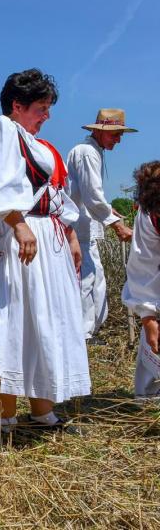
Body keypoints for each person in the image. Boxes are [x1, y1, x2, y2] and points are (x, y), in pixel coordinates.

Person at [0, 68, 89, 434]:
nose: (47, 115)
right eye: (41, 107)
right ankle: (3, 418)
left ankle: (43, 412)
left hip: (47, 242)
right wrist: (19, 222)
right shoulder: (0, 129)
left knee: (45, 323)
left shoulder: (41, 145)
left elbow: (57, 197)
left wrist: (70, 236)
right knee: (12, 324)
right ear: (17, 105)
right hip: (18, 240)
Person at [67, 108, 137, 344]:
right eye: (114, 134)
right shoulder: (87, 153)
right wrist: (116, 224)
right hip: (78, 227)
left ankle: (90, 330)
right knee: (86, 279)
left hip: (86, 225)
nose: (118, 139)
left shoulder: (92, 151)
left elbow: (90, 194)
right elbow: (91, 195)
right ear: (99, 131)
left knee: (94, 278)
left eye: (119, 135)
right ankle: (82, 334)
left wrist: (108, 209)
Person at [121, 161, 160, 398]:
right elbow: (142, 267)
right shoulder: (148, 217)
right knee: (154, 335)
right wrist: (148, 317)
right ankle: (150, 399)